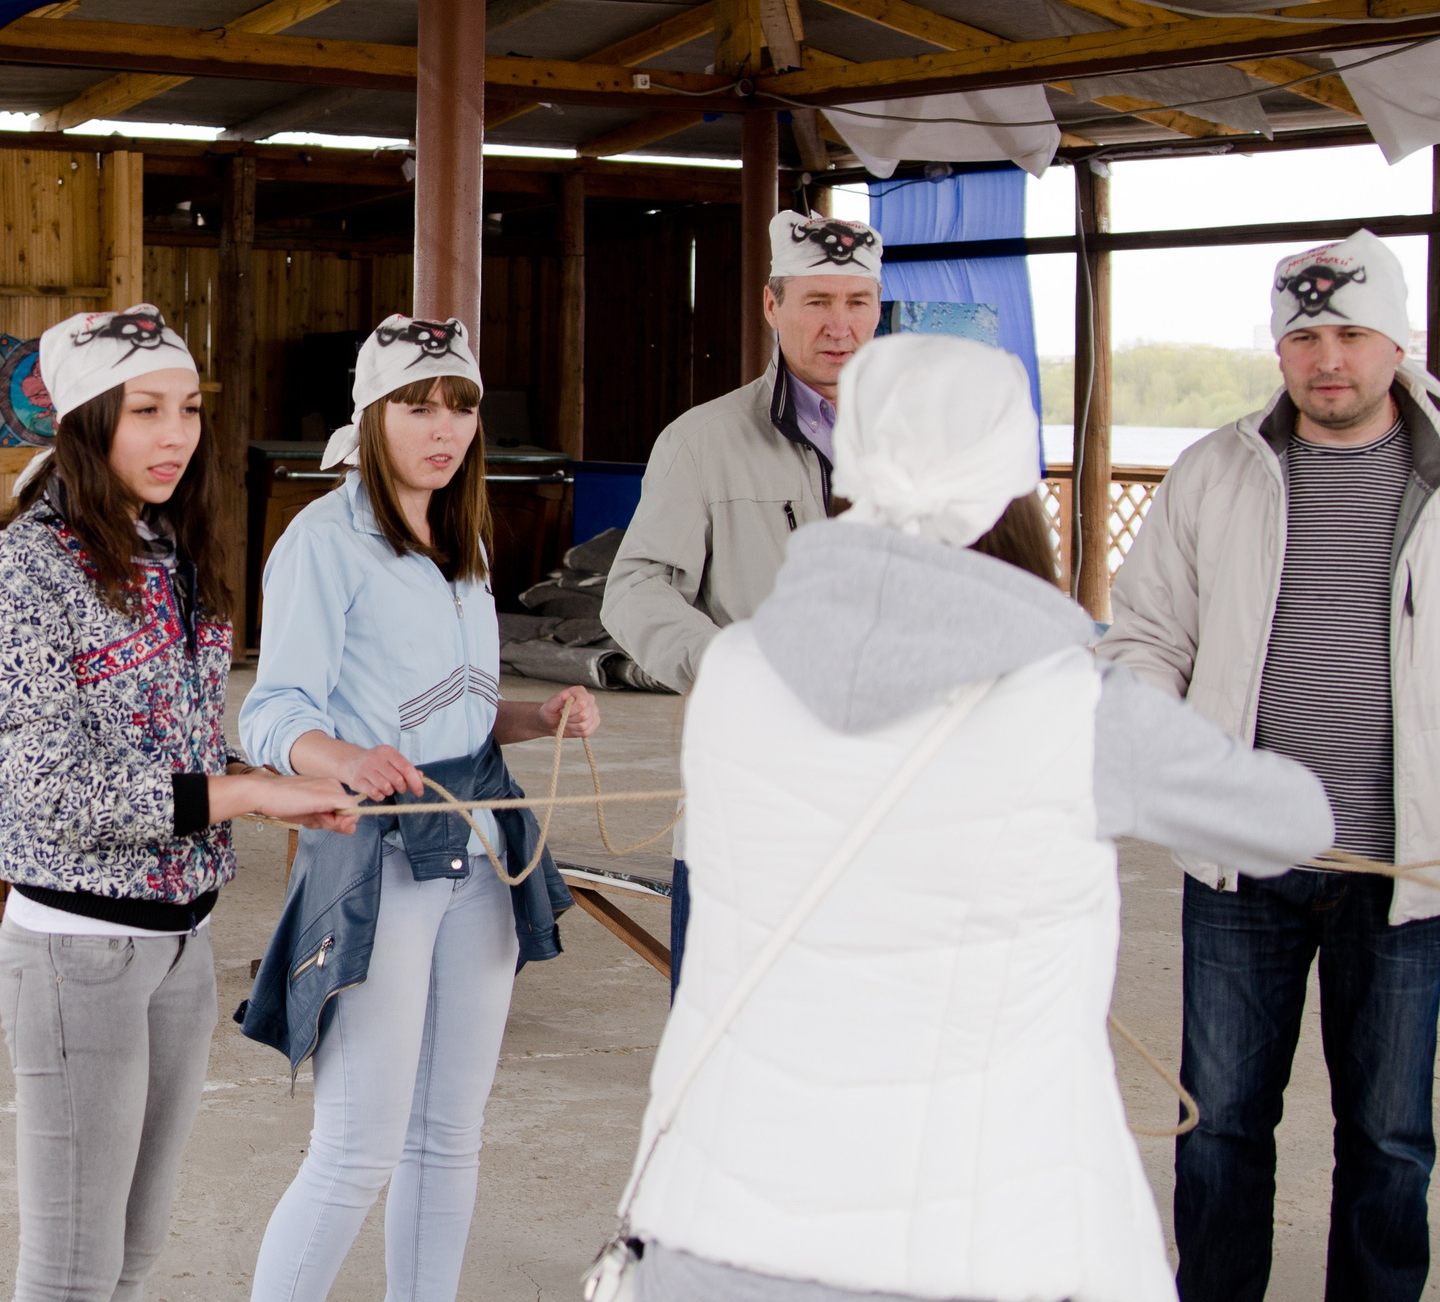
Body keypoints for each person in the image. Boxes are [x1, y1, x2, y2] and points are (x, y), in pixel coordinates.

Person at [600, 333, 1332, 1302]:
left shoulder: (735, 670)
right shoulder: (1078, 704)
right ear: (1008, 479)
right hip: (979, 1245)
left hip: (718, 1228)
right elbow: (1293, 821)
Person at [0, 306, 354, 1302]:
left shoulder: (172, 548)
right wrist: (240, 794)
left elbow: (170, 747)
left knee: (132, 1251)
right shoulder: (23, 568)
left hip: (182, 942)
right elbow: (38, 796)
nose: (175, 434)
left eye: (187, 408)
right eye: (144, 410)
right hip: (75, 949)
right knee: (73, 1269)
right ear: (86, 419)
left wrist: (273, 783)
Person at [1100, 227, 1440, 1302]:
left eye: (1348, 331)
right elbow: (1144, 638)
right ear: (1278, 347)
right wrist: (1158, 752)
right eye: (1303, 335)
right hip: (1239, 870)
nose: (1325, 357)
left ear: (1397, 339)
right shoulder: (1214, 470)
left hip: (1404, 875)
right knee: (1221, 1123)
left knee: (1388, 1139)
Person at [239, 315, 592, 1302]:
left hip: (483, 849)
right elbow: (271, 710)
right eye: (416, 405)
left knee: (449, 1134)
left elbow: (459, 713)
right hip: (380, 854)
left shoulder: (461, 533)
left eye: (460, 406)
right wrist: (341, 757)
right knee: (356, 1147)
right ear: (372, 414)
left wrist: (538, 714)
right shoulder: (322, 541)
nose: (443, 428)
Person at [603, 210, 884, 981]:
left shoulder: (924, 444)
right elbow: (634, 587)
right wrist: (728, 661)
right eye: (816, 301)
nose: (839, 325)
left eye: (857, 303)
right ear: (772, 305)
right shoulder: (703, 442)